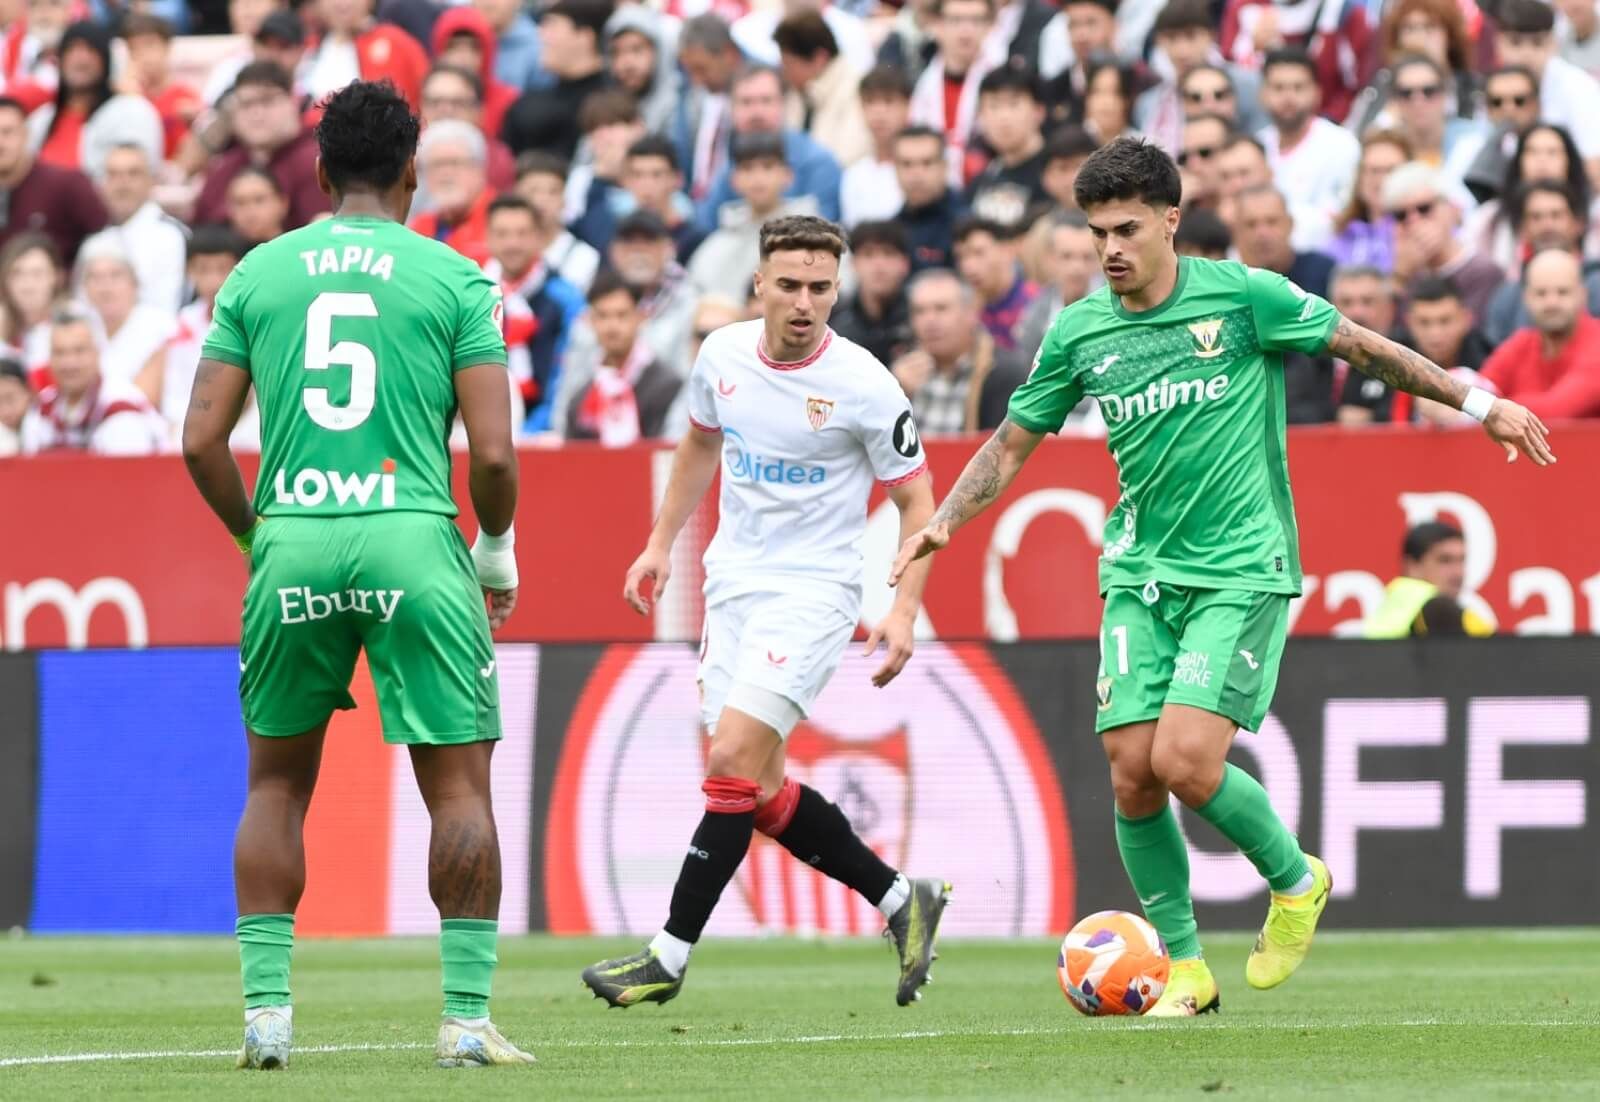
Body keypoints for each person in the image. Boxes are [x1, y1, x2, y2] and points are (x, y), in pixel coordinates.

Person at [888, 137, 1553, 1018]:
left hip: (1241, 568)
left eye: (1127, 228)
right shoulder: (1083, 329)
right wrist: (943, 521)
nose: (1112, 249)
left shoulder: (1244, 298)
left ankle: (1296, 879)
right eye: (1097, 234)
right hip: (1138, 572)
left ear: (1171, 220)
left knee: (1186, 761)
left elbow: (1362, 347)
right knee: (1132, 770)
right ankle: (1188, 968)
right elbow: (1015, 440)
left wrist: (1481, 405)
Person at [180, 79, 535, 1070]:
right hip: (412, 536)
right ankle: (464, 1021)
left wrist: (262, 540)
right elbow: (496, 457)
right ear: (412, 172)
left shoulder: (257, 273)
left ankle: (265, 1019)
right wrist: (494, 547)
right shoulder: (455, 278)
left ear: (322, 174)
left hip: (294, 529)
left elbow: (201, 441)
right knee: (459, 789)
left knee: (275, 786)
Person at [581, 214, 950, 1010]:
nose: (804, 302)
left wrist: (902, 610)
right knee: (762, 791)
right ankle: (901, 900)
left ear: (836, 291)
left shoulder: (863, 383)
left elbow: (917, 497)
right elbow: (700, 446)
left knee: (729, 766)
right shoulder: (721, 356)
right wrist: (657, 546)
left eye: (821, 288)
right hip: (733, 587)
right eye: (789, 285)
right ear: (759, 285)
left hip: (815, 593)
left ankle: (667, 956)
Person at [892, 266, 1029, 432]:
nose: (929, 321)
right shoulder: (901, 372)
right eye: (919, 311)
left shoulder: (1004, 372)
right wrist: (894, 393)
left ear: (971, 313)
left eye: (941, 308)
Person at [1476, 248, 1600, 419]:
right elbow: (1479, 389)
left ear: (1582, 295)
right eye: (1541, 293)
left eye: (1563, 292)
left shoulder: (1596, 342)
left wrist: (1487, 407)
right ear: (1527, 298)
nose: (1551, 302)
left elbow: (1557, 410)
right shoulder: (1520, 343)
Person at [27, 306, 165, 454]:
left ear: (98, 352)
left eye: (79, 351)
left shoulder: (120, 407)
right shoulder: (43, 407)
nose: (69, 363)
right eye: (59, 352)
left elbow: (129, 473)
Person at [1363, 521, 1494, 638]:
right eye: (1445, 560)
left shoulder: (1393, 603)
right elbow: (1496, 653)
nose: (1458, 572)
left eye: (1461, 560)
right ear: (1412, 566)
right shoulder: (1440, 609)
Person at [829, 219, 914, 364]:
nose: (879, 265)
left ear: (905, 263)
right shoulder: (834, 320)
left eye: (888, 254)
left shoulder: (920, 316)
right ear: (853, 264)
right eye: (868, 254)